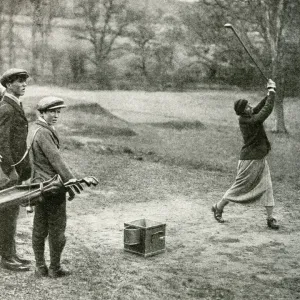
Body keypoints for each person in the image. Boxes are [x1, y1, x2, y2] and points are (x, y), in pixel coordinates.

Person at [212, 79, 279, 230]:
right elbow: (265, 112)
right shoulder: (248, 121)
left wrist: (270, 93)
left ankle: (270, 218)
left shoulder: (248, 116)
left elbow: (260, 107)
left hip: (259, 157)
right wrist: (272, 93)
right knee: (239, 187)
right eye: (248, 106)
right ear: (243, 111)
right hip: (249, 160)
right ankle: (218, 207)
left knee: (268, 186)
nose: (250, 107)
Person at [30, 96, 78, 278]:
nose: (56, 115)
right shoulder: (44, 132)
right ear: (42, 112)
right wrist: (72, 183)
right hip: (52, 187)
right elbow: (56, 161)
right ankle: (54, 268)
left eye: (58, 112)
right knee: (57, 229)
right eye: (52, 112)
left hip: (38, 187)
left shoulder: (35, 129)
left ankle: (40, 267)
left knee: (39, 227)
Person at [0, 68, 32, 272]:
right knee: (7, 214)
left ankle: (11, 253)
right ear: (9, 84)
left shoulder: (14, 105)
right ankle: (7, 257)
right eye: (19, 81)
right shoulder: (6, 108)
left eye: (25, 81)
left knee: (11, 213)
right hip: (9, 171)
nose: (24, 84)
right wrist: (10, 170)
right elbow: (1, 142)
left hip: (16, 168)